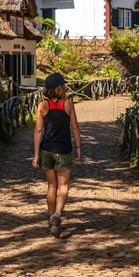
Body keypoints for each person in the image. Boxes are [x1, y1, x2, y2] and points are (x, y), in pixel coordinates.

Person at [32, 72, 81, 238]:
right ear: (61, 87)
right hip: (64, 149)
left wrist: (36, 155)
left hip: (47, 149)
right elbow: (75, 127)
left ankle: (50, 219)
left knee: (51, 186)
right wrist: (78, 147)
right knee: (64, 186)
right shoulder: (68, 104)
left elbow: (39, 130)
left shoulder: (42, 106)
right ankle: (58, 215)